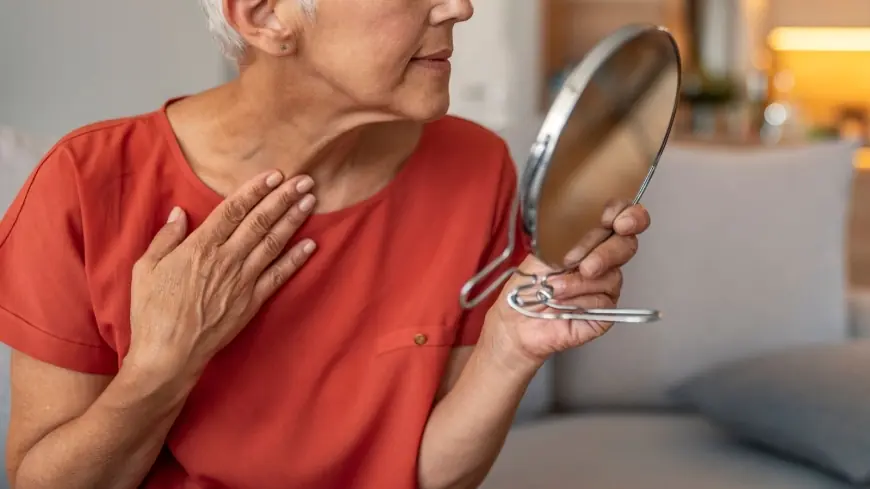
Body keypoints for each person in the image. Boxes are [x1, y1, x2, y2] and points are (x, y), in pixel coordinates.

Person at [0, 1, 651, 488]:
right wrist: (161, 366)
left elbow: (425, 470)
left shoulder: (476, 167)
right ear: (266, 15)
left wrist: (510, 346)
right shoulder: (85, 185)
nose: (460, 6)